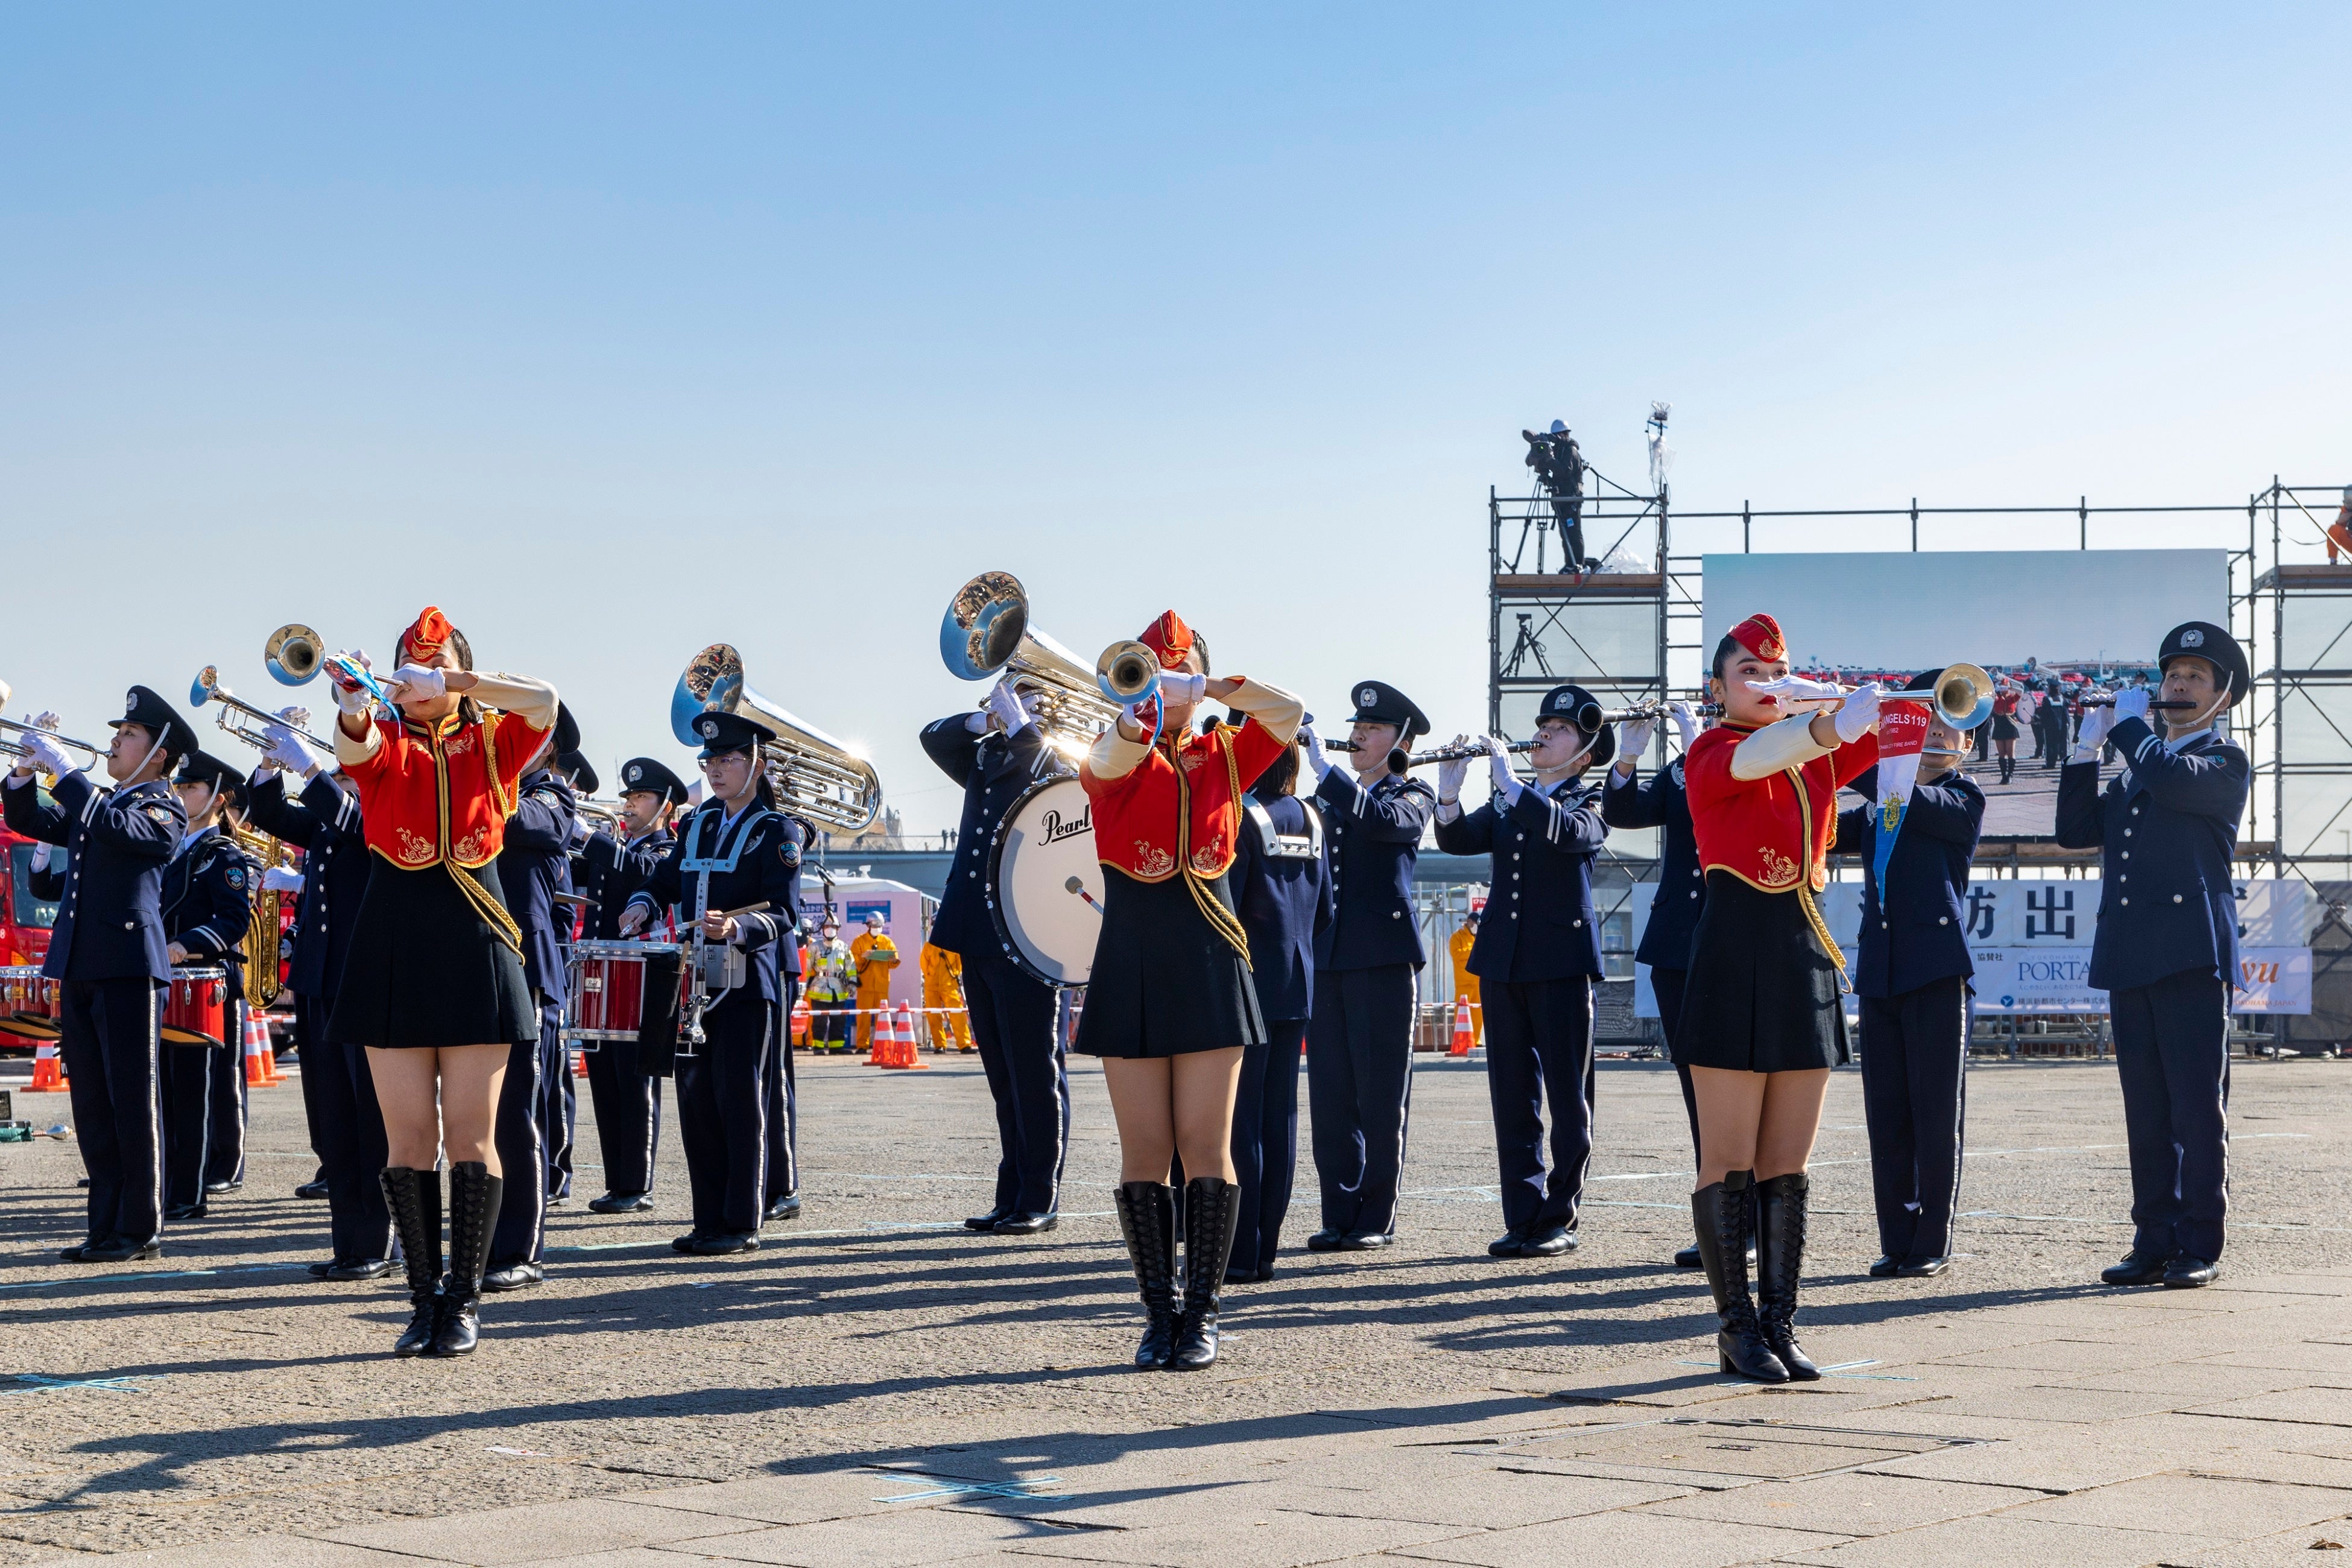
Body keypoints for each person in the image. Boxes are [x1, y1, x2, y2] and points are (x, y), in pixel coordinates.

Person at [329, 607, 558, 1358]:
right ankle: (422, 1297)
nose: (418, 675)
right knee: (407, 1136)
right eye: (410, 662)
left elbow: (545, 701)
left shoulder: (494, 734)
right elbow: (356, 750)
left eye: (434, 662)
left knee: (471, 1132)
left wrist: (460, 680)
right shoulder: (386, 733)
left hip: (475, 937)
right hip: (392, 938)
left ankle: (463, 1298)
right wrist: (358, 703)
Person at [1080, 611, 1301, 1370]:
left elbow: (1288, 711)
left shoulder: (1227, 753)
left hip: (1211, 955)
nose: (1164, 684)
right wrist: (1140, 710)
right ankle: (1156, 1314)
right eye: (1153, 667)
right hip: (1132, 958)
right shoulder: (1116, 746)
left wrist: (1212, 686)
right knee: (1144, 1149)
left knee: (1206, 1144)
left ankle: (1203, 1312)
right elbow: (1106, 767)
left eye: (1177, 671)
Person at [1678, 613, 1880, 1383]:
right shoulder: (1712, 749)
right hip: (1733, 951)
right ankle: (1736, 1330)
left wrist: (1866, 700)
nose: (1766, 686)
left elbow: (1908, 729)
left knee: (1786, 1163)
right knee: (1728, 1159)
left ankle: (1780, 1323)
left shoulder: (1809, 752)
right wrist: (1827, 721)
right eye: (1750, 674)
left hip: (1803, 951)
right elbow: (1758, 755)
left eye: (1777, 672)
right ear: (1719, 687)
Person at [2058, 621, 2251, 1289]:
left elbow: (2171, 776)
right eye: (2174, 675)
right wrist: (2085, 751)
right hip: (2134, 952)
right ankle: (2153, 1237)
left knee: (2197, 1108)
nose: (2179, 685)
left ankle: (2200, 1241)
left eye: (2197, 677)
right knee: (2145, 1109)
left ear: (2222, 697)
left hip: (2192, 955)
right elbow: (2076, 831)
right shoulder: (2141, 772)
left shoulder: (2223, 763)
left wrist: (2131, 731)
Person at [5, 688, 195, 1263]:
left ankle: (140, 1227)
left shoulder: (161, 808)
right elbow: (30, 817)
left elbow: (120, 831)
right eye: (118, 732)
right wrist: (22, 771)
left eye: (129, 734)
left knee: (131, 1101)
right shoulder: (103, 803)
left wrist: (64, 768)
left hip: (128, 968)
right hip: (82, 965)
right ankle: (105, 1224)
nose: (114, 740)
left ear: (159, 753)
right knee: (90, 1102)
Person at [1432, 687, 1612, 1259]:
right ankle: (1522, 1215)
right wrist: (1450, 795)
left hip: (1560, 965)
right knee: (1512, 1095)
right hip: (1504, 962)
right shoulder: (1517, 799)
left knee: (1567, 1094)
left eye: (1558, 729)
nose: (1542, 735)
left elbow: (1570, 835)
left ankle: (1559, 1215)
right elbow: (1459, 839)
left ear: (1583, 754)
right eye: (1542, 725)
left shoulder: (1591, 799)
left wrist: (1510, 787)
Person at [619, 710, 807, 1255]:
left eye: (729, 760)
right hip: (691, 980)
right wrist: (641, 904)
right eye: (711, 761)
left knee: (741, 1100)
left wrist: (740, 925)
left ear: (756, 765)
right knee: (696, 1099)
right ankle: (707, 1220)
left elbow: (786, 912)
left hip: (748, 985)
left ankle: (741, 1221)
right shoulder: (698, 822)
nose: (717, 770)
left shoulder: (778, 830)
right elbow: (664, 877)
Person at [1832, 674, 1985, 1280]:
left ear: (1967, 746)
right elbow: (1824, 808)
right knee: (1887, 1111)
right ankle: (1896, 1236)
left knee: (1934, 1110)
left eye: (1947, 729)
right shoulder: (1878, 806)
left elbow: (1903, 792)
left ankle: (1931, 1239)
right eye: (1925, 724)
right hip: (1880, 969)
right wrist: (1824, 727)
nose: (1936, 737)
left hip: (1936, 968)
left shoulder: (1963, 797)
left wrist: (1874, 741)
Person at [918, 676, 1072, 1233]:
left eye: (1024, 697)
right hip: (979, 929)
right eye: (1009, 697)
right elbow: (933, 738)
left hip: (1032, 934)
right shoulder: (990, 752)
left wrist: (1027, 726)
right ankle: (1011, 1194)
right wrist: (984, 723)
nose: (1008, 706)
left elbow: (1067, 793)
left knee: (1035, 1071)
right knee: (1003, 1075)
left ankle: (1039, 1197)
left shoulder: (1057, 757)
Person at [1298, 683, 1436, 1253]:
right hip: (1328, 957)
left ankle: (1375, 1216)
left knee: (1381, 1096)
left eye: (1374, 729)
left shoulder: (1414, 792)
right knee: (1331, 1095)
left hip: (1382, 960)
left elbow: (1385, 824)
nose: (1359, 735)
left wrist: (1327, 773)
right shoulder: (1331, 796)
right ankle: (1339, 1212)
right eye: (1357, 726)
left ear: (1400, 739)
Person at [247, 723, 387, 1277]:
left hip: (364, 979)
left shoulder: (380, 813)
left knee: (371, 1120)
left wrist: (308, 770)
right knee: (334, 1118)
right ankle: (349, 1243)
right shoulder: (334, 818)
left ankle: (379, 1242)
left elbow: (357, 826)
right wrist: (268, 763)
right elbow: (270, 813)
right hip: (321, 981)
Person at [1602, 699, 1713, 1267]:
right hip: (1676, 939)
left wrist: (1701, 749)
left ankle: (1748, 1219)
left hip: (1729, 935)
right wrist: (1629, 756)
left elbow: (1721, 803)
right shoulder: (1680, 766)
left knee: (1733, 1085)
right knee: (1695, 1080)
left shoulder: (1764, 752)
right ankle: (1717, 1221)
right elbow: (1626, 812)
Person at [480, 705, 580, 1293]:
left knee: (519, 1114)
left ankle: (520, 1246)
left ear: (544, 749)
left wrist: (463, 778)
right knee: (476, 1115)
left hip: (526, 968)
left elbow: (518, 821)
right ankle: (481, 1235)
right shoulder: (490, 787)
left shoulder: (553, 797)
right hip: (475, 959)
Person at [1224, 734, 1329, 1283]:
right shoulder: (1312, 818)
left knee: (1242, 1121)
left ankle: (1239, 1252)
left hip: (1247, 985)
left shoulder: (1238, 815)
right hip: (1298, 982)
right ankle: (1265, 1251)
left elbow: (1224, 907)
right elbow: (1326, 911)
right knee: (1281, 1119)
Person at [575, 756, 690, 1214]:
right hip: (603, 971)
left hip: (643, 975)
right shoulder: (617, 846)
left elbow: (643, 873)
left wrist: (588, 835)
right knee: (604, 1079)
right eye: (629, 797)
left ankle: (637, 1183)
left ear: (664, 807)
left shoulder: (664, 851)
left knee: (636, 1078)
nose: (630, 804)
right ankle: (617, 1181)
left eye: (640, 797)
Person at [157, 750, 256, 1221]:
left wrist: (186, 944)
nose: (181, 793)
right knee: (171, 1088)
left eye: (192, 788)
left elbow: (236, 918)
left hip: (209, 982)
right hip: (169, 983)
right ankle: (175, 1177)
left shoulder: (224, 855)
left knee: (214, 1084)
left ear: (219, 799)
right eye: (180, 786)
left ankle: (218, 1168)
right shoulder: (172, 846)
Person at [850, 909, 900, 1053]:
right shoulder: (859, 941)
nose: (877, 928)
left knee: (882, 1017)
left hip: (882, 985)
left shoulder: (887, 942)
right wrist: (863, 956)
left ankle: (883, 1045)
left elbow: (894, 963)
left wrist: (894, 960)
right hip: (865, 986)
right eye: (875, 925)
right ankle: (862, 1045)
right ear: (868, 925)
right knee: (864, 1017)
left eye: (880, 925)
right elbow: (852, 962)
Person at [804, 917, 856, 1052]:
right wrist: (803, 986)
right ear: (822, 929)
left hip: (839, 989)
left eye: (833, 927)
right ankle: (818, 1047)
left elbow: (851, 967)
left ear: (838, 929)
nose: (830, 929)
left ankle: (836, 1047)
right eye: (827, 927)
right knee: (819, 1021)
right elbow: (807, 968)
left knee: (839, 1020)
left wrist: (852, 984)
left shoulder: (843, 947)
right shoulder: (815, 947)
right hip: (819, 989)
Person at [920, 941, 973, 1052]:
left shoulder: (954, 945)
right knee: (934, 1016)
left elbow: (960, 964)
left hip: (949, 985)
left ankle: (965, 1045)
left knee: (958, 1015)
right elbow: (924, 963)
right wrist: (930, 976)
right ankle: (940, 1045)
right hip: (932, 985)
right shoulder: (929, 946)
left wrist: (952, 976)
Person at [1446, 912, 1481, 1048]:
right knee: (1461, 1014)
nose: (1476, 927)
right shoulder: (1457, 936)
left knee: (1478, 1015)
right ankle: (1461, 1041)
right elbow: (1456, 954)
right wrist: (1473, 950)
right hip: (1463, 982)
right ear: (1469, 921)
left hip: (1477, 981)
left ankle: (1476, 1040)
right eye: (1475, 924)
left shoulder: (1477, 938)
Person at [1988, 680, 2020, 785]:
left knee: (2010, 752)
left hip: (2010, 725)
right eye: (2002, 686)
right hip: (1999, 725)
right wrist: (1997, 690)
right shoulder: (1997, 698)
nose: (2004, 688)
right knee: (2002, 753)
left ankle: (2010, 775)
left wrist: (2011, 688)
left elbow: (2021, 692)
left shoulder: (2012, 697)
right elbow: (1991, 698)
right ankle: (2003, 775)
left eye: (2005, 686)